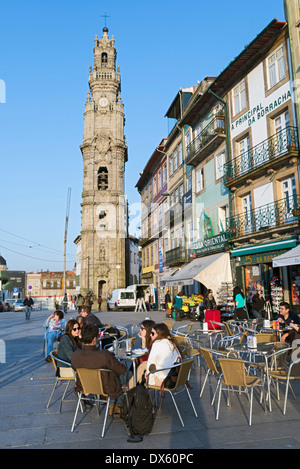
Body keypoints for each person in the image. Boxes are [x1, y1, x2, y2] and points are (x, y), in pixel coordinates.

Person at [71, 324, 129, 415]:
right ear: (95, 339)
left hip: (84, 386)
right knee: (126, 373)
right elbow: (122, 370)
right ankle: (116, 406)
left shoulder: (75, 355)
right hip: (105, 388)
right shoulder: (104, 355)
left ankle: (114, 406)